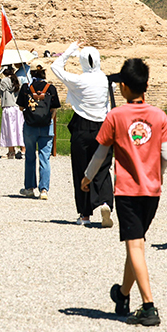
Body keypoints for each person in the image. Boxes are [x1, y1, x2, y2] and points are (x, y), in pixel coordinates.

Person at [85, 59, 167, 326]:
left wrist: (87, 177)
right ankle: (122, 295)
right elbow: (165, 154)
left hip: (128, 191)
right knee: (136, 243)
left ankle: (148, 306)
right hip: (152, 191)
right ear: (146, 85)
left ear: (123, 86)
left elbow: (101, 153)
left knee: (135, 245)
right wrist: (157, 175)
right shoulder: (159, 116)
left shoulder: (116, 116)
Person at [51, 41, 114, 225]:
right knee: (102, 168)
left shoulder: (78, 80)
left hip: (81, 128)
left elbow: (55, 67)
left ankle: (85, 214)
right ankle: (105, 202)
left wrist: (70, 50)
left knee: (81, 169)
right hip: (103, 127)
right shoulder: (106, 81)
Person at [16, 65, 59, 200]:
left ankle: (29, 188)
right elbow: (54, 109)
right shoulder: (50, 88)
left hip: (29, 127)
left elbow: (21, 107)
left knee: (30, 157)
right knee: (44, 158)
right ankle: (44, 189)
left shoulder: (26, 88)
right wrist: (48, 120)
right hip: (46, 127)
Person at [0, 66, 25, 160]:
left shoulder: (4, 81)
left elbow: (0, 94)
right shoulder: (17, 80)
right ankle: (23, 150)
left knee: (9, 129)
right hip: (17, 107)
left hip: (8, 107)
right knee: (19, 129)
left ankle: (11, 151)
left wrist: (0, 82)